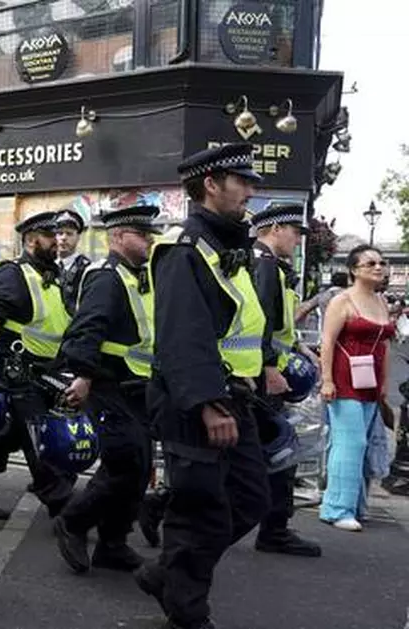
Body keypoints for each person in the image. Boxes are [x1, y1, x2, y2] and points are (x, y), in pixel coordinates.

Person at [135, 143, 271, 629]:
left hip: (235, 396)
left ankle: (166, 573)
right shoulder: (183, 247)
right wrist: (209, 404)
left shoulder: (228, 246)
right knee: (201, 511)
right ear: (211, 184)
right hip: (198, 403)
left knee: (252, 500)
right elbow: (181, 334)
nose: (252, 191)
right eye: (243, 181)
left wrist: (263, 368)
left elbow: (242, 322)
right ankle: (187, 611)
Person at [51, 205, 161, 575]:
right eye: (141, 234)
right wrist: (82, 375)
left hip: (138, 385)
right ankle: (74, 522)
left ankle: (113, 543)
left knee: (138, 465)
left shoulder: (138, 276)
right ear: (117, 237)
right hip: (108, 383)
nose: (149, 240)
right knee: (124, 463)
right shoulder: (107, 276)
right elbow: (88, 327)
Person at [0, 211, 74, 519]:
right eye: (50, 236)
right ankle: (64, 509)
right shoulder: (14, 272)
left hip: (46, 371)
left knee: (5, 434)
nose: (57, 242)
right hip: (18, 369)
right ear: (31, 240)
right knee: (37, 435)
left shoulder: (51, 277)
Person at [249, 204, 321, 556]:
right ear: (275, 228)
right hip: (264, 378)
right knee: (279, 450)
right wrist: (269, 367)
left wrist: (300, 347)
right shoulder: (263, 265)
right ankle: (275, 529)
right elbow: (258, 321)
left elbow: (279, 326)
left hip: (267, 372)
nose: (297, 240)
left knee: (268, 452)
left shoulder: (272, 266)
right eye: (294, 232)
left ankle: (276, 527)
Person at [318, 244, 396, 532]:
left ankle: (355, 504)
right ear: (354, 270)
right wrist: (327, 379)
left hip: (371, 381)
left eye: (382, 262)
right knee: (350, 443)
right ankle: (337, 507)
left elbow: (385, 346)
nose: (379, 267)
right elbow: (327, 341)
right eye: (371, 263)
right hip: (344, 379)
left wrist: (384, 383)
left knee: (364, 444)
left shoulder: (382, 301)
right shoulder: (342, 301)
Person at [55, 208, 91, 315]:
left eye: (69, 234)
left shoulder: (87, 269)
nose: (63, 238)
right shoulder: (47, 266)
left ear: (78, 237)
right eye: (59, 233)